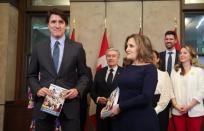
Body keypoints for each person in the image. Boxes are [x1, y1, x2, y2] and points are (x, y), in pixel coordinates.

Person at [27, 8, 88, 131]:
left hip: (69, 105)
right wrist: (38, 90)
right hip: (45, 103)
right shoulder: (39, 48)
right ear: (48, 25)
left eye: (61, 22)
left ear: (66, 25)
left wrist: (77, 90)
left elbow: (84, 75)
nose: (57, 25)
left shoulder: (77, 48)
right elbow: (31, 75)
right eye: (53, 22)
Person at [110, 34, 159, 131]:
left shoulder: (150, 69)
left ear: (142, 48)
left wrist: (120, 106)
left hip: (141, 121)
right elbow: (119, 91)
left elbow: (146, 97)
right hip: (122, 119)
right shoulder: (127, 68)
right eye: (127, 46)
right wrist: (109, 106)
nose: (127, 49)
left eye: (131, 46)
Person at [171, 45, 204, 131]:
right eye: (180, 53)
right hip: (178, 111)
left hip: (195, 111)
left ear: (191, 55)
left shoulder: (199, 71)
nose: (182, 55)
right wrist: (176, 105)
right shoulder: (175, 71)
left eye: (185, 53)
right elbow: (170, 90)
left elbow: (202, 91)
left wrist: (189, 106)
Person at [90, 48, 123, 131]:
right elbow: (93, 91)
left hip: (118, 113)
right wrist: (97, 98)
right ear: (106, 58)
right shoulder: (100, 72)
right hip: (102, 113)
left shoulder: (124, 72)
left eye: (113, 56)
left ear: (118, 58)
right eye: (108, 56)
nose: (111, 58)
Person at [159, 30, 179, 131]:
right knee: (163, 121)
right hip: (163, 93)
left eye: (171, 39)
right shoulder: (159, 56)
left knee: (177, 122)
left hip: (178, 93)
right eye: (166, 39)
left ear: (175, 40)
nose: (168, 41)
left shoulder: (182, 55)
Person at [152, 50, 174, 130]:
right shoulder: (141, 74)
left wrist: (156, 110)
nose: (150, 59)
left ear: (158, 59)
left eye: (153, 57)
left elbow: (166, 95)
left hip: (161, 108)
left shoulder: (164, 74)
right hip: (146, 106)